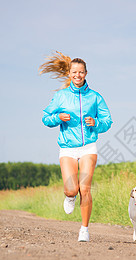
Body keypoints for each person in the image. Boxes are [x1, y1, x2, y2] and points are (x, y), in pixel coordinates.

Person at [40, 52, 113, 242]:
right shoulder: (61, 96)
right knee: (72, 189)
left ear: (86, 73)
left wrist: (95, 123)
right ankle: (69, 196)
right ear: (69, 74)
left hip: (88, 146)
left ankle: (84, 229)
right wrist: (57, 118)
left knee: (85, 189)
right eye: (74, 72)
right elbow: (45, 118)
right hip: (68, 148)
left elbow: (107, 121)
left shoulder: (95, 97)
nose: (77, 75)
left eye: (81, 72)